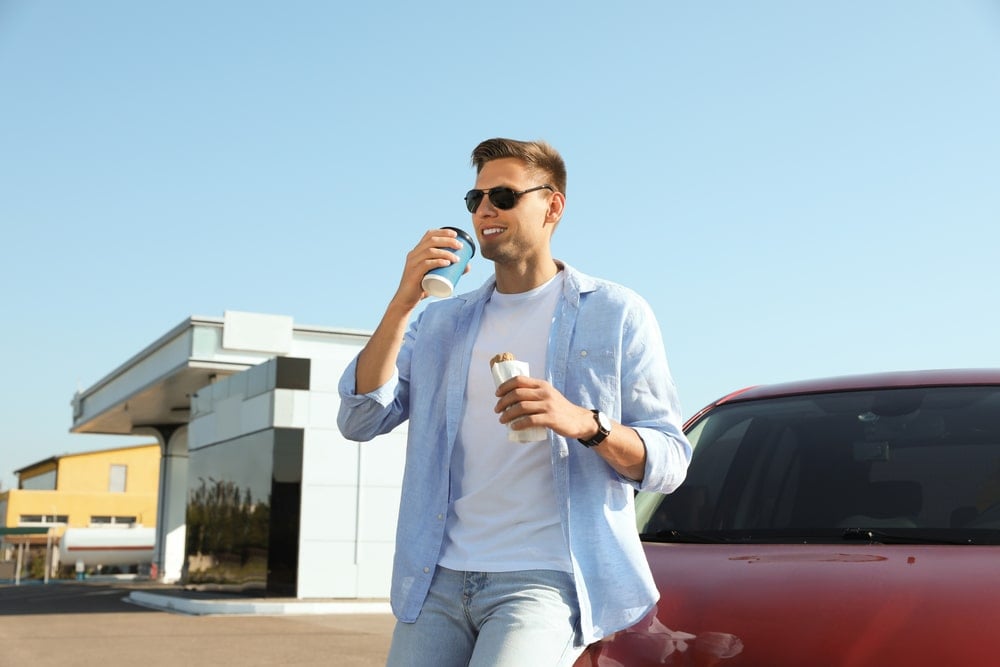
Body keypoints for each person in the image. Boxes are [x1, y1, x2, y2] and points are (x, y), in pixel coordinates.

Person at [337, 138, 691, 667]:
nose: (485, 210)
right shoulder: (439, 323)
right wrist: (402, 302)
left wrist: (584, 422)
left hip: (544, 579)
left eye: (503, 195)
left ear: (552, 206)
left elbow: (669, 461)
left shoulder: (616, 313)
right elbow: (361, 417)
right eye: (475, 198)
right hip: (436, 578)